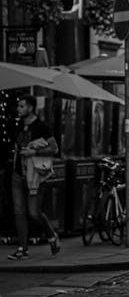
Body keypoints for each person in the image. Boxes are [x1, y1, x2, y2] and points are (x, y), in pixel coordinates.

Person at [8, 95, 60, 260]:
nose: (19, 109)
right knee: (19, 212)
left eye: (22, 106)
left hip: (36, 175)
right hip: (18, 174)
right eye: (18, 106)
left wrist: (34, 152)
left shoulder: (41, 127)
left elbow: (54, 148)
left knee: (33, 212)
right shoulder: (18, 126)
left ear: (30, 108)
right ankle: (22, 248)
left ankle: (51, 235)